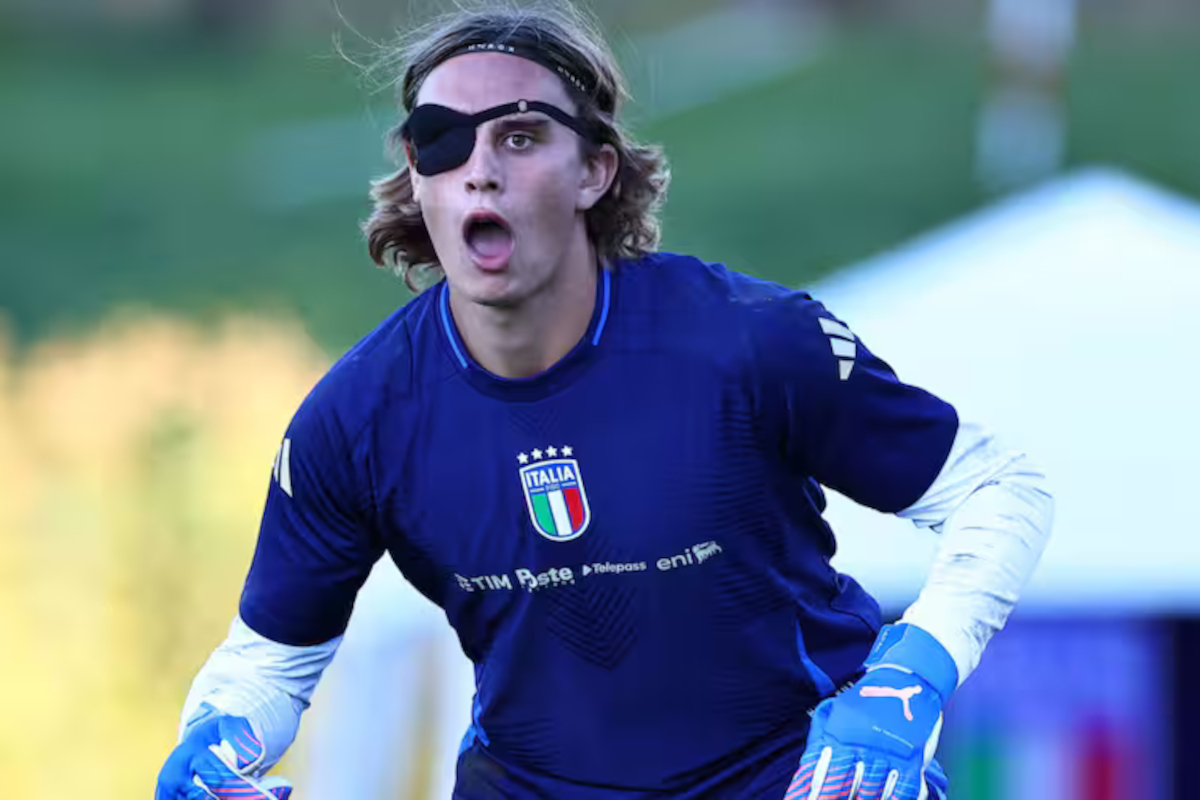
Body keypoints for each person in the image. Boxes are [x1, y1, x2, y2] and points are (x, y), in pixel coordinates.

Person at [154, 3, 1053, 799]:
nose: (478, 170)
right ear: (417, 179)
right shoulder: (355, 419)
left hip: (804, 773)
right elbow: (269, 663)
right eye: (443, 139)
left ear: (595, 172)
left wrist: (911, 678)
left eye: (518, 135)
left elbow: (1001, 490)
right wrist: (217, 741)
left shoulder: (748, 342)